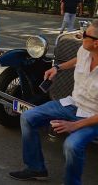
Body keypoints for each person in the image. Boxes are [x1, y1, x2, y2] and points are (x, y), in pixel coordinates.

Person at [9, 20, 98, 185]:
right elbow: (77, 60)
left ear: (96, 43)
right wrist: (57, 68)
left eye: (85, 34)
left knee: (72, 145)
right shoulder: (84, 50)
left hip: (93, 117)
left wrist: (74, 126)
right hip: (72, 103)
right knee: (28, 117)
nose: (81, 36)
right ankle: (36, 168)